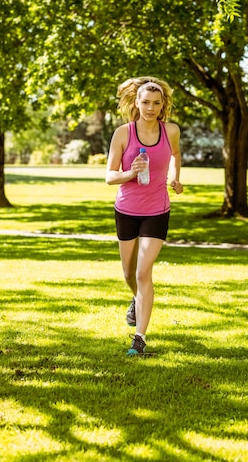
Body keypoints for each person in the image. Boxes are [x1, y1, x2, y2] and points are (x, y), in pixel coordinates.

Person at [106, 76, 183, 355]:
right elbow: (109, 176)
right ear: (136, 103)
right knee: (128, 272)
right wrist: (131, 173)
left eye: (156, 103)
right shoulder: (123, 133)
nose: (151, 107)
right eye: (146, 102)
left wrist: (175, 177)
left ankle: (139, 338)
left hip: (156, 210)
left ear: (162, 106)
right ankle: (135, 299)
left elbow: (175, 154)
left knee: (142, 271)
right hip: (126, 209)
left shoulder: (170, 131)